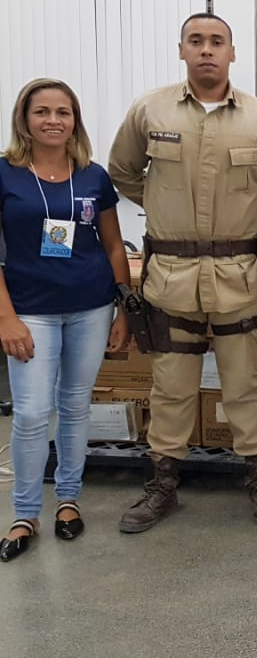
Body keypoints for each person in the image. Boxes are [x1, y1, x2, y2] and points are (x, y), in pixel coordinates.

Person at [108, 13, 257, 532]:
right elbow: (122, 171)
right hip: (170, 273)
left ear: (233, 53)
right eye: (197, 41)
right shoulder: (149, 110)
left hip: (239, 274)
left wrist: (249, 216)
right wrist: (164, 206)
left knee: (245, 381)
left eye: (217, 42)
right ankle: (163, 483)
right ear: (182, 50)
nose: (207, 50)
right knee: (170, 386)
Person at [0, 80, 131, 562]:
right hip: (28, 310)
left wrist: (122, 309)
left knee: (76, 407)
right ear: (24, 120)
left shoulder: (93, 176)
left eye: (63, 112)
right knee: (33, 413)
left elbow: (115, 245)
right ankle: (25, 512)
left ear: (75, 119)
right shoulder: (5, 174)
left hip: (90, 305)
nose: (53, 120)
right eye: (42, 112)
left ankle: (69, 501)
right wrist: (5, 318)